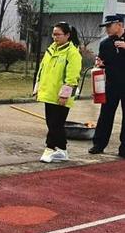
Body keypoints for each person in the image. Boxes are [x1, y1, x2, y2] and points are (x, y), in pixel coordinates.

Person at [34, 22, 82, 163]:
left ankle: (50, 148)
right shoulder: (51, 49)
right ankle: (62, 150)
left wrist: (64, 94)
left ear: (67, 35)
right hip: (49, 93)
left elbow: (72, 77)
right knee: (53, 123)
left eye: (58, 34)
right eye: (53, 34)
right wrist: (37, 87)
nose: (55, 37)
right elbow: (42, 70)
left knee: (55, 123)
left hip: (61, 96)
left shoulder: (72, 53)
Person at [89, 14, 125, 156]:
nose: (107, 30)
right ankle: (99, 144)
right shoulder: (105, 44)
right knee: (105, 114)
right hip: (111, 84)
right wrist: (100, 64)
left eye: (109, 26)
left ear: (119, 24)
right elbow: (101, 63)